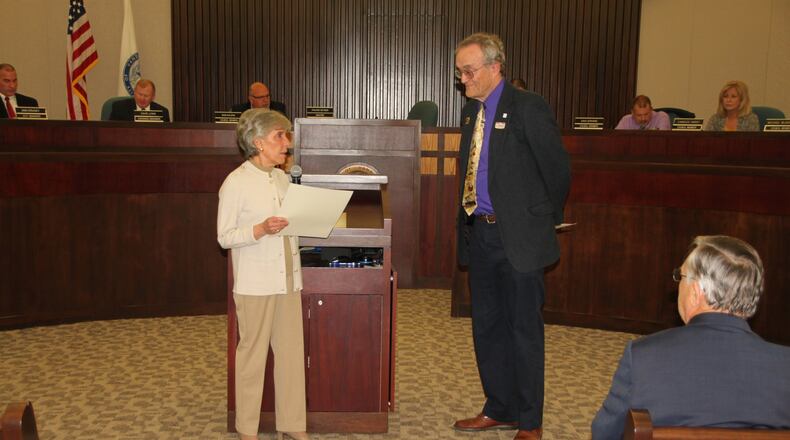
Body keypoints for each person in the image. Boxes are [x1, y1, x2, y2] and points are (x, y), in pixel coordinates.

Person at [452, 33, 571, 440]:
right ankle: (498, 406)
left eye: (468, 71)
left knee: (523, 330)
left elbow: (557, 171)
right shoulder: (472, 113)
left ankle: (530, 420)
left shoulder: (528, 107)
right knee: (487, 327)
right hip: (480, 234)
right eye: (460, 73)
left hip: (519, 239)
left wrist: (541, 220)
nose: (463, 80)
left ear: (494, 67)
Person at [591, 235, 790, 440]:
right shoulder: (785, 365)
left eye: (680, 276)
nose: (677, 284)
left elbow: (604, 433)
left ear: (696, 292)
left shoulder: (644, 356)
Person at [217, 109, 309, 440]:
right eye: (279, 137)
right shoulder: (236, 182)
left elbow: (292, 223)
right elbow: (224, 236)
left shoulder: (283, 178)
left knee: (290, 357)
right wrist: (259, 228)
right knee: (252, 359)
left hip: (288, 279)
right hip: (255, 283)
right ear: (258, 142)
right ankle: (247, 430)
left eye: (286, 136)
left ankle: (293, 425)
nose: (287, 143)